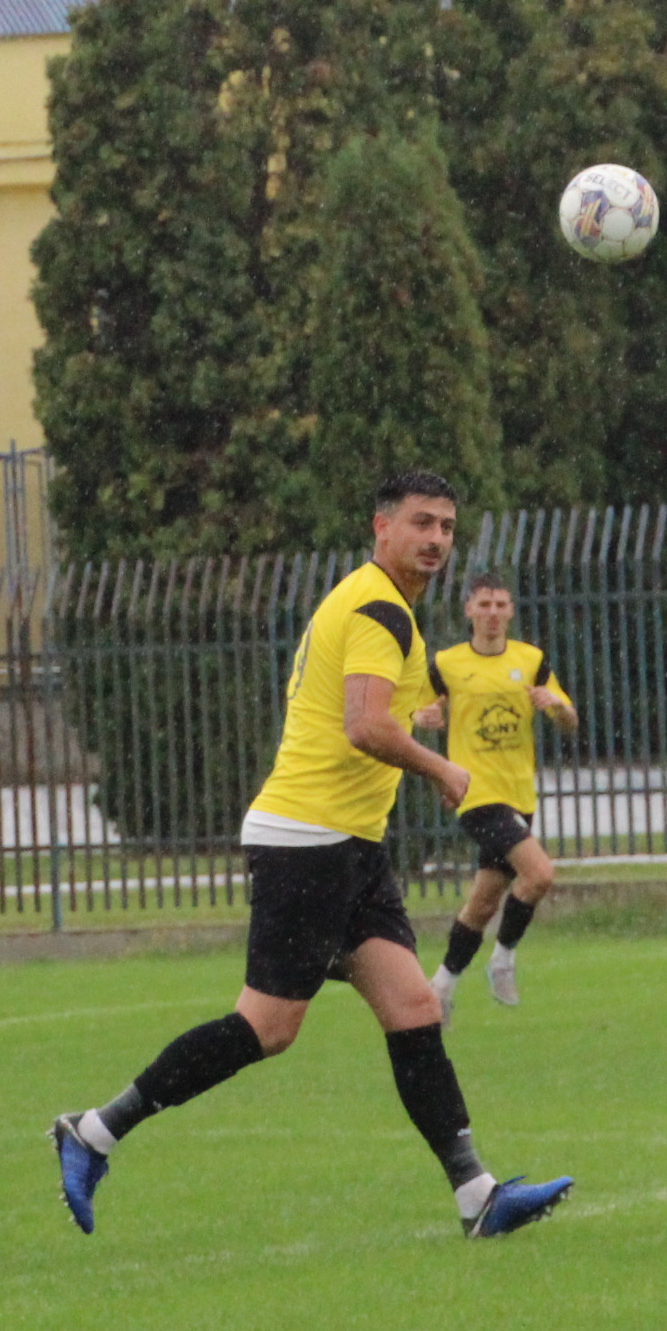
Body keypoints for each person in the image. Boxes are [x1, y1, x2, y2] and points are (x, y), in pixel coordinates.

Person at [49, 471, 573, 1241]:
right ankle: (92, 1132)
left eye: (446, 526)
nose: (436, 539)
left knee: (415, 1007)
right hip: (307, 842)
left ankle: (479, 1198)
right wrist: (441, 768)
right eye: (421, 523)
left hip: (349, 846)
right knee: (267, 1026)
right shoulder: (379, 609)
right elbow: (365, 724)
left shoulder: (383, 606)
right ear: (382, 527)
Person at [427, 575, 577, 1020]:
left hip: (519, 795)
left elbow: (569, 720)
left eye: (500, 605)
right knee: (540, 874)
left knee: (483, 904)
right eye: (484, 604)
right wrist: (424, 716)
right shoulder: (446, 663)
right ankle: (503, 959)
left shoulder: (530, 660)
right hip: (475, 794)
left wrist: (556, 704)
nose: (492, 613)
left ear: (510, 611)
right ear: (469, 611)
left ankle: (439, 989)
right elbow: (412, 708)